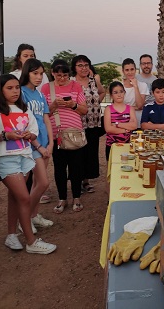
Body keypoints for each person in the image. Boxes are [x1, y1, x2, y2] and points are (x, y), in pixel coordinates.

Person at [0, 74, 56, 255]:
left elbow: (33, 130)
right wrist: (6, 136)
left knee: (15, 196)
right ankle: (31, 242)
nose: (15, 91)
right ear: (0, 90)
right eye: (9, 88)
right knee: (24, 198)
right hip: (5, 158)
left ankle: (11, 234)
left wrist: (29, 136)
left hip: (24, 157)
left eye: (17, 87)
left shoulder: (24, 109)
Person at [41, 61, 88, 213]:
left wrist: (73, 105)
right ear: (52, 73)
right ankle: (62, 198)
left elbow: (84, 110)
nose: (62, 78)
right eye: (58, 75)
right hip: (56, 134)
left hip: (74, 133)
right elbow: (42, 112)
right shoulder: (46, 88)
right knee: (59, 168)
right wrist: (54, 105)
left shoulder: (76, 86)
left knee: (76, 167)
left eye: (65, 75)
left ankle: (77, 197)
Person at [19, 59, 54, 231]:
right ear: (27, 72)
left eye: (41, 73)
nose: (39, 77)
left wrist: (51, 143)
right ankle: (23, 219)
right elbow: (24, 123)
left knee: (36, 184)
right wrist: (38, 146)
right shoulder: (21, 93)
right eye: (35, 73)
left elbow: (46, 118)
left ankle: (34, 215)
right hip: (32, 145)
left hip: (45, 143)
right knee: (43, 183)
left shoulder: (40, 94)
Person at [71, 55, 105, 193]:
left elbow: (102, 92)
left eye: (86, 65)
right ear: (74, 67)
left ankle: (86, 181)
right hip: (77, 123)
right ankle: (76, 181)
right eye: (80, 65)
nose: (84, 68)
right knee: (77, 153)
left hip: (93, 123)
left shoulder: (93, 81)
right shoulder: (71, 82)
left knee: (90, 152)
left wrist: (95, 103)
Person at [104, 81, 137, 160]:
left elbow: (134, 125)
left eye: (121, 91)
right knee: (113, 170)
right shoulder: (108, 109)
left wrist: (117, 124)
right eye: (115, 92)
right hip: (112, 145)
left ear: (124, 93)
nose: (119, 94)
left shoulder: (130, 109)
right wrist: (126, 129)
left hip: (128, 145)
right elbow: (108, 129)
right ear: (111, 95)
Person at [141, 78, 164, 143]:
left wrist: (151, 126)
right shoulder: (147, 107)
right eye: (157, 92)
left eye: (163, 92)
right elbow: (143, 125)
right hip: (151, 141)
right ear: (153, 93)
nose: (161, 95)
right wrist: (163, 126)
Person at [121, 58, 149, 122]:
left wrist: (135, 86)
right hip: (123, 120)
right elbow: (117, 106)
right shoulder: (120, 86)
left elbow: (139, 105)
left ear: (135, 70)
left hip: (138, 119)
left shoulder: (143, 85)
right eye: (127, 70)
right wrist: (134, 107)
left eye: (132, 69)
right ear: (123, 71)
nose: (130, 72)